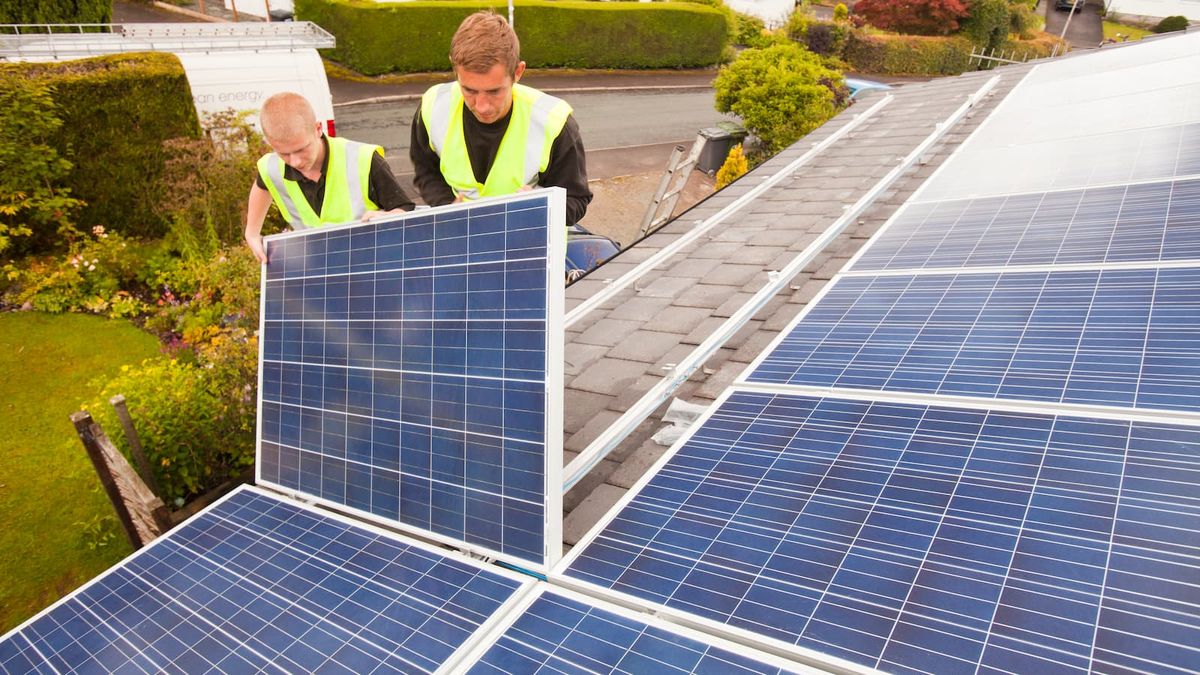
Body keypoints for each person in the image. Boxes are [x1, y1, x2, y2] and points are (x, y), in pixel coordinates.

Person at [410, 11, 592, 225]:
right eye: (468, 90)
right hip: (459, 234)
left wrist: (540, 209)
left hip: (528, 240)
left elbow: (576, 199)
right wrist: (447, 207)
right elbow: (425, 170)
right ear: (455, 70)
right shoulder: (433, 105)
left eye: (494, 91)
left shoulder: (555, 122)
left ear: (518, 72)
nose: (482, 106)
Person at [244, 92, 415, 263]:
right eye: (283, 153)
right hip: (319, 268)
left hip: (372, 263)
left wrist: (390, 216)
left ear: (318, 129)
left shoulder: (363, 159)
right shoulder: (272, 167)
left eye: (301, 149)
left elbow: (404, 208)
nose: (295, 161)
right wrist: (251, 233)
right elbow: (262, 183)